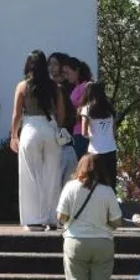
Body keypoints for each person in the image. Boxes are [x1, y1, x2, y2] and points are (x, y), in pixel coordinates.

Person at [10, 50, 66, 230]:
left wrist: (13, 135)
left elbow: (17, 114)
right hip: (50, 129)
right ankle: (51, 218)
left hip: (30, 129)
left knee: (30, 176)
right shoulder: (54, 87)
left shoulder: (22, 86)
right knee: (52, 176)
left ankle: (33, 220)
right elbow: (61, 114)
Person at [56, 153, 123, 280]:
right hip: (102, 242)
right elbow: (116, 221)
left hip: (76, 241)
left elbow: (61, 217)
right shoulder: (107, 190)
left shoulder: (70, 187)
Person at [49, 52, 78, 187]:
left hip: (65, 134)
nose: (52, 68)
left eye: (55, 64)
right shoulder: (47, 86)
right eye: (50, 64)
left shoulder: (66, 87)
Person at [80, 82, 118, 185]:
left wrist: (93, 135)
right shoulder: (110, 109)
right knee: (111, 182)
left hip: (95, 150)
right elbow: (114, 132)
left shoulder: (87, 109)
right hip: (111, 149)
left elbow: (83, 132)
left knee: (95, 182)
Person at [65, 58, 94, 158]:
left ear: (76, 70)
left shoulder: (84, 87)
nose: (66, 76)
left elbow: (88, 107)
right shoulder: (78, 87)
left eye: (68, 73)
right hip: (77, 131)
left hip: (82, 133)